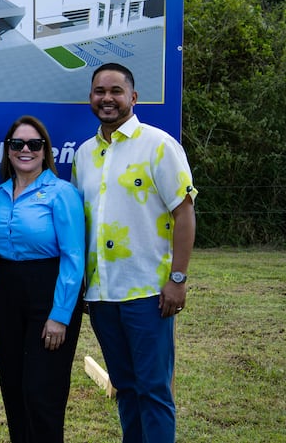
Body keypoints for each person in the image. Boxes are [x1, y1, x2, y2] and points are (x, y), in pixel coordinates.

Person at [72, 62, 197, 443]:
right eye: (100, 91)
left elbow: (184, 213)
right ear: (91, 97)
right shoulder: (83, 155)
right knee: (125, 387)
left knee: (153, 390)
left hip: (148, 293)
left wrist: (178, 279)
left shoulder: (159, 145)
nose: (107, 98)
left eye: (116, 91)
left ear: (133, 97)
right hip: (102, 296)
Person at [0, 115, 85, 443]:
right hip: (5, 295)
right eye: (17, 143)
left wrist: (60, 316)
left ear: (45, 150)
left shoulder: (62, 193)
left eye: (34, 144)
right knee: (13, 388)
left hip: (48, 293)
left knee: (42, 393)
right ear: (7, 150)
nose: (26, 149)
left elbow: (74, 258)